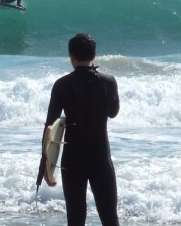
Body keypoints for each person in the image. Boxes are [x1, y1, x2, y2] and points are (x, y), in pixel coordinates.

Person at [37, 34, 120, 226]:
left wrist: (45, 166)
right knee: (110, 218)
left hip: (73, 160)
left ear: (71, 56)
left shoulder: (62, 85)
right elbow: (113, 113)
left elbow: (50, 127)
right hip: (101, 158)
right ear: (94, 55)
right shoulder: (109, 81)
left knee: (75, 219)